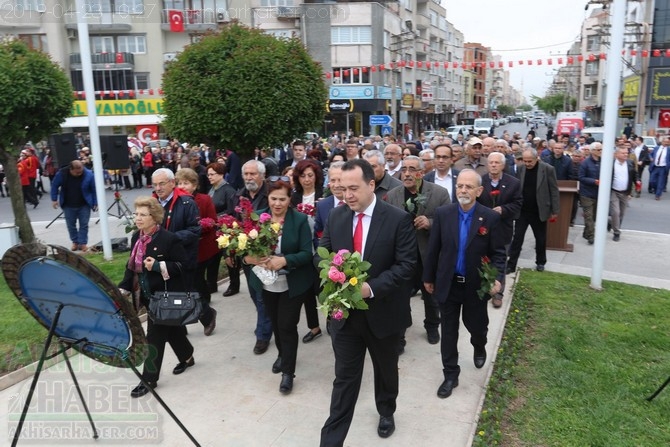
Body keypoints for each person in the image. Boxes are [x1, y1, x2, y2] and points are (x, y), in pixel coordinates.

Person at [319, 159, 417, 445]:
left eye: (353, 188)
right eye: (341, 188)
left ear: (371, 185)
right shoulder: (336, 217)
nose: (347, 195)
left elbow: (406, 266)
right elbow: (322, 251)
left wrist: (370, 289)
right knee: (344, 379)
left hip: (384, 316)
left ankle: (386, 410)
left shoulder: (397, 219)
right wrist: (330, 271)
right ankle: (331, 439)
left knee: (386, 371)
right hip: (346, 317)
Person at [422, 169, 506, 399]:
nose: (463, 190)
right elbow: (434, 249)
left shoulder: (489, 217)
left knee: (476, 325)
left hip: (475, 286)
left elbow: (499, 253)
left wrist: (497, 280)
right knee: (448, 331)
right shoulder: (443, 213)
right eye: (460, 186)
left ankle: (479, 345)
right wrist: (428, 278)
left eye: (469, 187)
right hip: (448, 284)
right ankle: (451, 374)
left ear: (479, 191)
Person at [244, 177, 314, 394]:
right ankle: (283, 354)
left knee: (287, 326)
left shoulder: (300, 220)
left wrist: (284, 260)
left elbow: (306, 253)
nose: (277, 204)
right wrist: (250, 259)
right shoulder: (258, 219)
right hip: (266, 283)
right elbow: (243, 251)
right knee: (275, 323)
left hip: (292, 283)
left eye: (282, 199)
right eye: (274, 199)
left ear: (289, 198)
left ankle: (287, 372)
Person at [119, 196, 195, 398]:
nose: (138, 218)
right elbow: (132, 267)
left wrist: (159, 266)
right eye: (136, 214)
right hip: (144, 294)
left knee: (154, 337)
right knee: (172, 330)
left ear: (155, 217)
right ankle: (187, 355)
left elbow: (184, 265)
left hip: (164, 297)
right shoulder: (137, 237)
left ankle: (149, 379)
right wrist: (123, 288)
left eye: (143, 214)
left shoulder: (169, 239)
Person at [385, 155, 450, 346]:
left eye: (412, 169)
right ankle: (400, 336)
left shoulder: (439, 193)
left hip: (427, 255)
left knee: (431, 297)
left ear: (421, 172)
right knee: (400, 298)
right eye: (404, 169)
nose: (407, 173)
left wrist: (430, 222)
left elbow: (448, 222)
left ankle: (432, 326)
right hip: (402, 257)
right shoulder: (393, 194)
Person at [234, 160, 273, 354]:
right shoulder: (239, 195)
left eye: (253, 174)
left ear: (262, 175)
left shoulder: (270, 195)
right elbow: (233, 223)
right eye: (246, 174)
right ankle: (266, 321)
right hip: (246, 254)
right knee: (253, 293)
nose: (249, 178)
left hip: (266, 254)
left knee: (261, 296)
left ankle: (263, 334)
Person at [175, 168, 219, 336]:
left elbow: (212, 222)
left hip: (199, 248)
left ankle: (206, 314)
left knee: (191, 286)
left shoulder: (204, 200)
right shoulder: (174, 201)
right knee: (182, 288)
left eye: (186, 183)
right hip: (178, 250)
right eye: (179, 183)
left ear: (194, 185)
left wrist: (200, 228)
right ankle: (183, 323)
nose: (182, 186)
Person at [477, 153, 522, 308]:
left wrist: (503, 209)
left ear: (503, 165)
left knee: (500, 260)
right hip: (482, 228)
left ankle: (498, 292)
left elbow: (518, 203)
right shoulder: (480, 181)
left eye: (497, 162)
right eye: (491, 162)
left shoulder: (513, 183)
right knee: (482, 259)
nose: (494, 165)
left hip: (503, 229)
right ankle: (483, 287)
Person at [507, 148, 560, 272]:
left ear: (537, 158)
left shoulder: (547, 169)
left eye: (530, 161)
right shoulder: (521, 169)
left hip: (539, 211)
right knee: (517, 239)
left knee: (540, 239)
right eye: (525, 161)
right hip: (523, 211)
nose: (527, 164)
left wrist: (555, 210)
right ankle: (511, 264)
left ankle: (540, 262)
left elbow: (554, 190)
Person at [289, 159, 324, 342]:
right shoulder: (294, 197)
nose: (307, 179)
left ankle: (336, 322)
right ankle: (314, 327)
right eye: (303, 176)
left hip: (321, 248)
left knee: (323, 288)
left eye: (310, 175)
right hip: (302, 248)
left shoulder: (323, 195)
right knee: (307, 291)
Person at [50, 160, 98, 251]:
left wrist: (95, 202)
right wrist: (54, 199)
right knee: (71, 225)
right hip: (68, 204)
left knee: (84, 225)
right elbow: (54, 185)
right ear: (71, 169)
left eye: (81, 171)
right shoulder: (62, 174)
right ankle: (75, 242)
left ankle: (83, 243)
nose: (79, 174)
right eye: (77, 172)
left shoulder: (89, 175)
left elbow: (94, 189)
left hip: (84, 204)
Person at [208, 162, 239, 297]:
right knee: (213, 258)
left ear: (221, 174)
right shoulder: (212, 189)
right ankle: (212, 284)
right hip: (213, 229)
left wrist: (216, 217)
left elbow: (232, 210)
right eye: (208, 174)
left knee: (229, 258)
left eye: (212, 174)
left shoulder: (228, 190)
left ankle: (234, 284)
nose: (209, 177)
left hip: (226, 230)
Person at [610, 147, 636, 241]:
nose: (625, 154)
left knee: (621, 213)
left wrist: (636, 184)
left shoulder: (630, 163)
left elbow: (634, 176)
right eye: (623, 153)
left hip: (625, 192)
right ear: (616, 154)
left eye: (626, 153)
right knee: (616, 212)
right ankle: (616, 232)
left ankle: (611, 222)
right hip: (614, 191)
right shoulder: (611, 164)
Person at [578, 142, 602, 244]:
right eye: (598, 150)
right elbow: (581, 177)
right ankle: (591, 237)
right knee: (589, 216)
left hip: (598, 194)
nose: (601, 151)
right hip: (586, 194)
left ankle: (586, 232)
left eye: (601, 149)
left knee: (594, 216)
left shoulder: (604, 162)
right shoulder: (585, 163)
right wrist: (594, 181)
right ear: (592, 151)